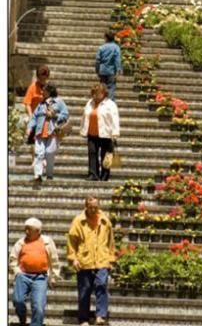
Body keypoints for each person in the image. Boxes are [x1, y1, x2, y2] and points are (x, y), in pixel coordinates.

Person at [67, 196, 116, 326]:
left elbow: (111, 242)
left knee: (101, 285)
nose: (93, 210)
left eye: (96, 207)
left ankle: (100, 316)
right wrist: (73, 259)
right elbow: (71, 242)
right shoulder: (78, 221)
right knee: (85, 290)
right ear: (86, 207)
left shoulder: (105, 221)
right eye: (91, 207)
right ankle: (83, 319)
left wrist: (111, 259)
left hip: (102, 260)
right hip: (84, 261)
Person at [10, 217, 60, 326]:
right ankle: (22, 319)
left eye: (29, 229)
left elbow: (54, 260)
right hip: (23, 275)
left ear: (38, 231)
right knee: (18, 301)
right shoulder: (21, 242)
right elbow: (13, 259)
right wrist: (17, 272)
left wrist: (54, 276)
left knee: (38, 306)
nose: (26, 231)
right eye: (25, 229)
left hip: (40, 277)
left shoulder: (47, 242)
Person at [27, 83, 69, 183]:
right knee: (39, 153)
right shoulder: (41, 104)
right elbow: (34, 117)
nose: (42, 92)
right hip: (40, 132)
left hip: (53, 132)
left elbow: (65, 114)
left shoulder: (59, 102)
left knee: (49, 153)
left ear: (50, 91)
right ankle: (38, 175)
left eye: (44, 90)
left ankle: (49, 175)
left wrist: (55, 115)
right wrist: (29, 127)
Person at [81, 84, 120, 181]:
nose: (95, 95)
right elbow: (85, 117)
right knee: (92, 153)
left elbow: (115, 119)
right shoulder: (89, 103)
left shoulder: (110, 104)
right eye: (94, 93)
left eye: (97, 93)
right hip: (92, 133)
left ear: (103, 93)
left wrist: (115, 133)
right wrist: (83, 129)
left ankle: (105, 175)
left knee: (105, 156)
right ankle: (93, 174)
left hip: (106, 134)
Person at [95, 31, 122, 101]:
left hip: (102, 71)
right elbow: (117, 60)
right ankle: (110, 102)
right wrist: (118, 70)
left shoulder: (102, 47)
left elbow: (97, 60)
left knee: (102, 88)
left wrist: (97, 70)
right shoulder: (116, 47)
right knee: (111, 88)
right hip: (111, 71)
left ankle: (102, 101)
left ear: (106, 38)